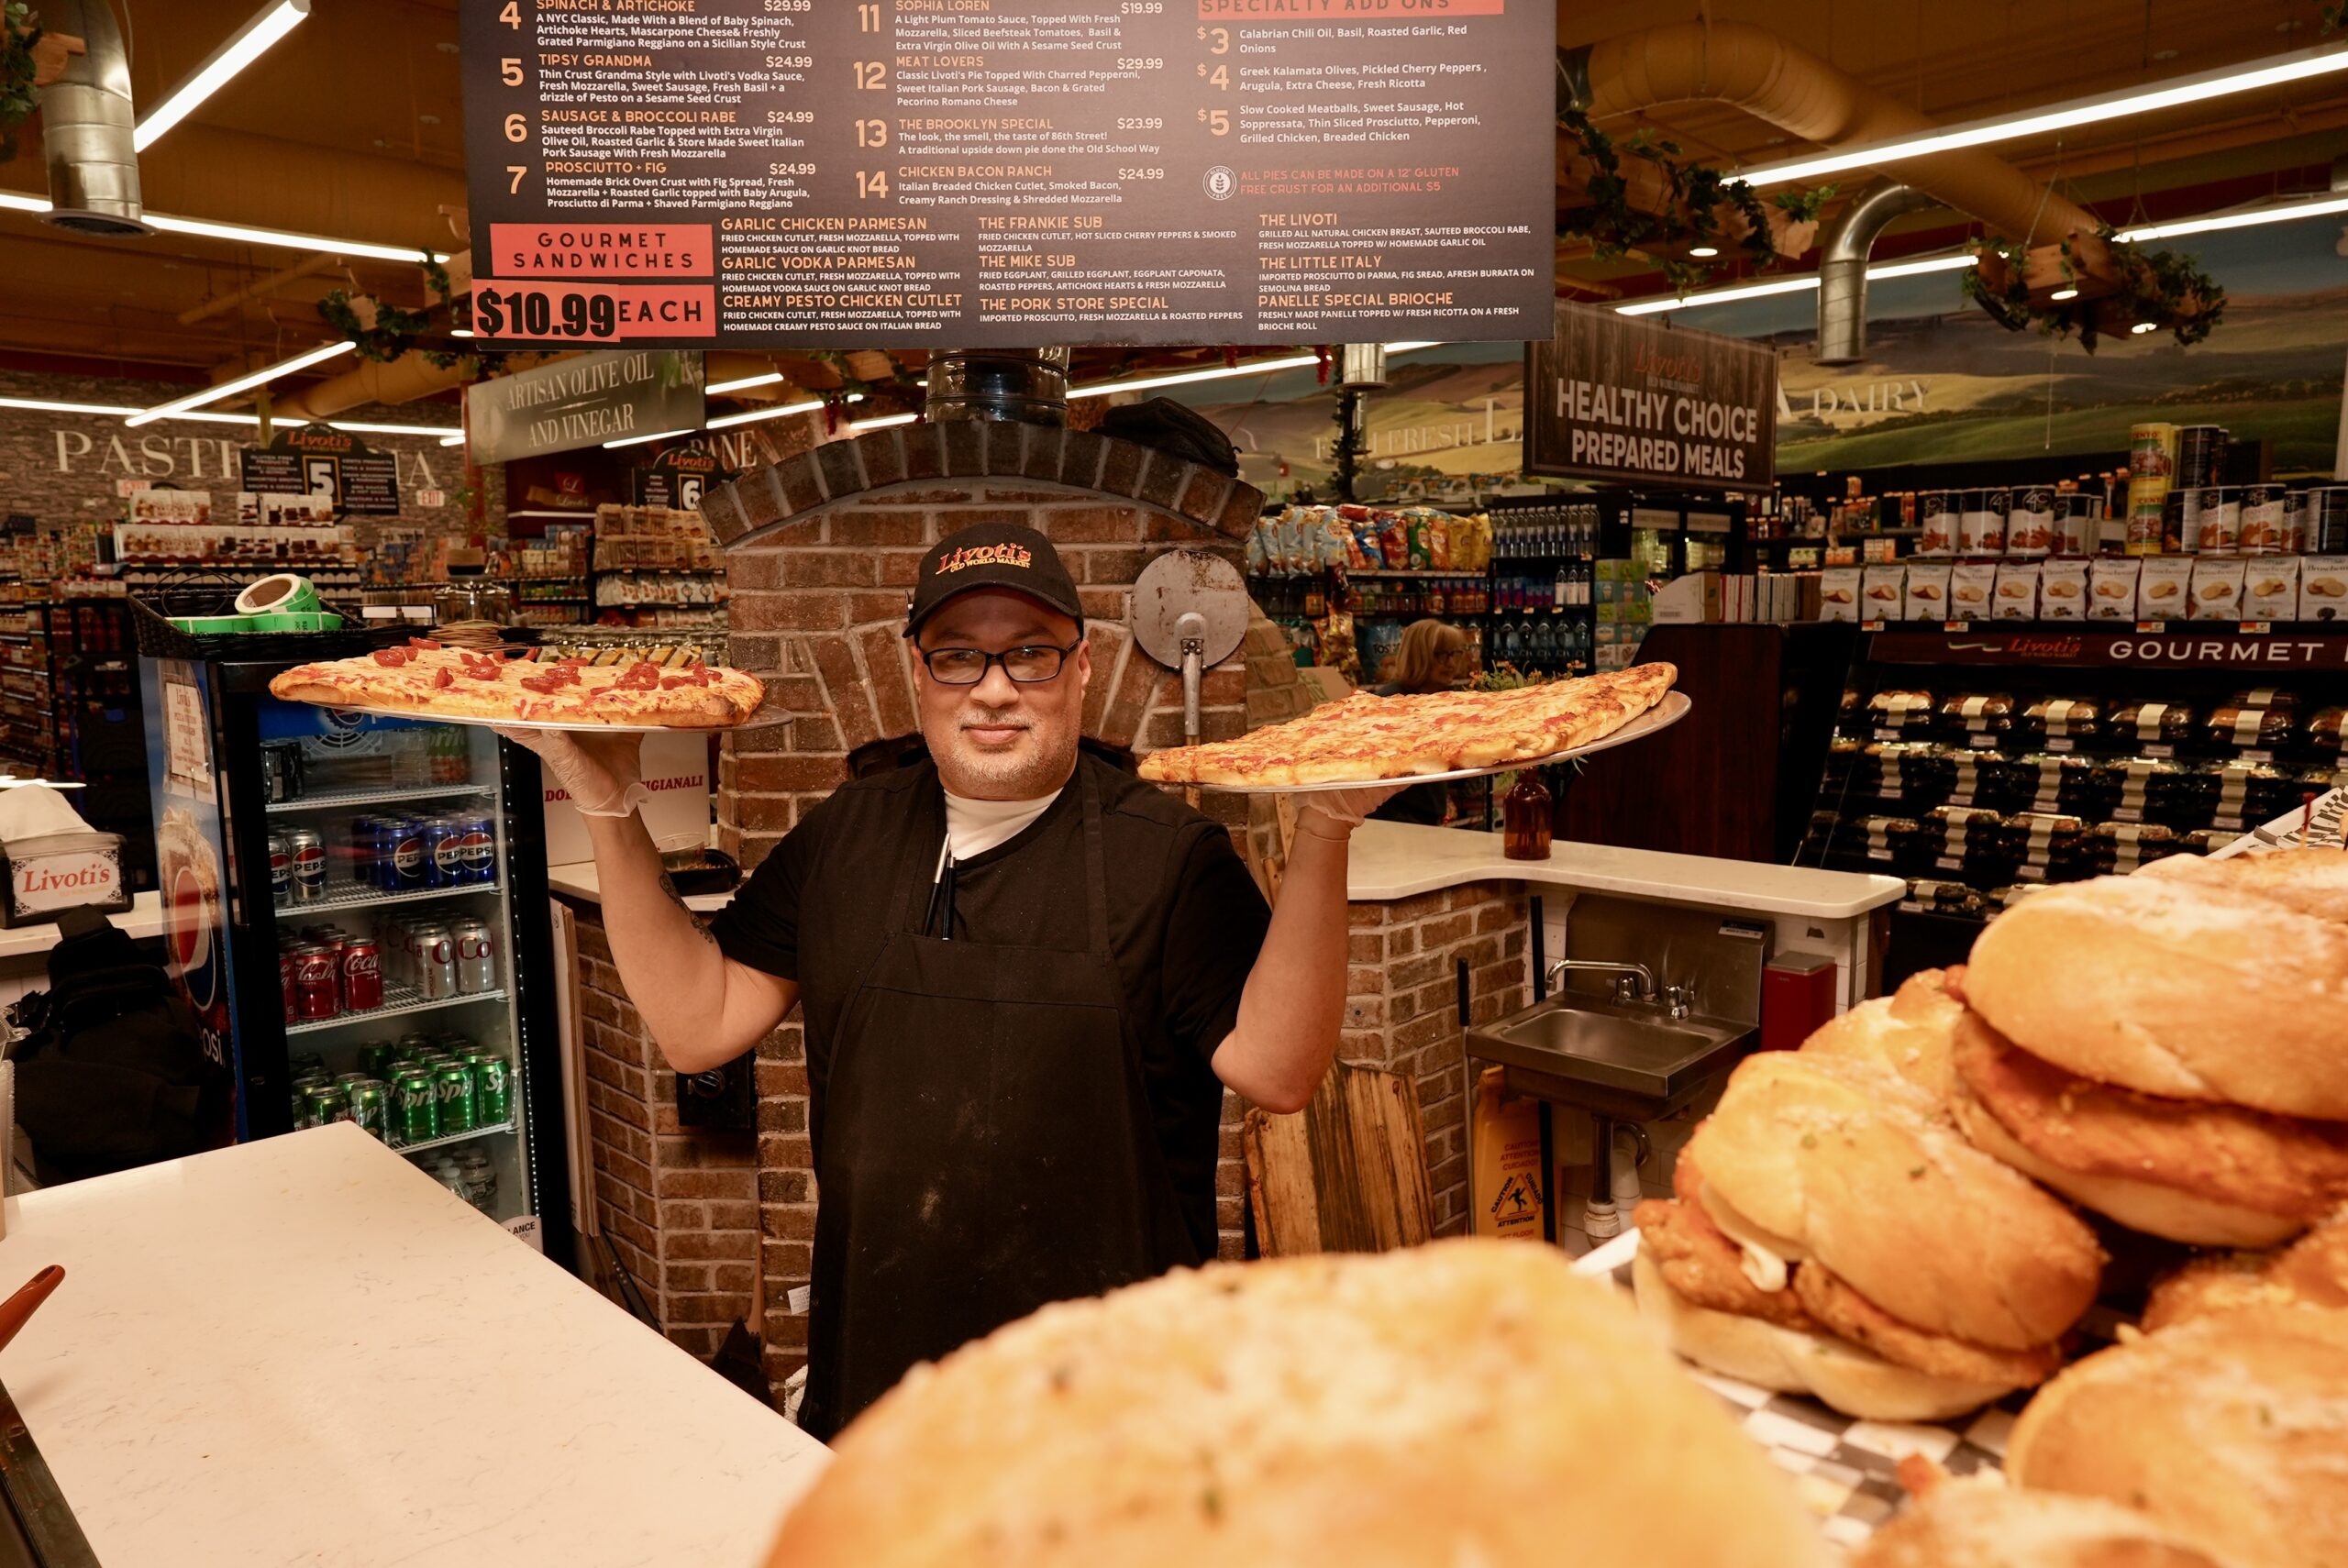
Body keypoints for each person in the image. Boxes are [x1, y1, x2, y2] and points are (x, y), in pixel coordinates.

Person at [504, 522, 1393, 1440]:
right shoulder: (847, 832)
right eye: (959, 657)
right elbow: (701, 1024)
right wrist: (610, 803)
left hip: (1117, 1401)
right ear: (916, 674)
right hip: (885, 1373)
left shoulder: (1171, 856)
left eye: (1031, 657)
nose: (995, 690)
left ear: (1081, 670)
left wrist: (1323, 832)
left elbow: (1279, 1073)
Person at [1368, 618, 1472, 826]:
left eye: (1455, 654)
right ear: (1418, 656)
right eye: (1441, 655)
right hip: (1392, 823)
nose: (1451, 664)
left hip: (1427, 819)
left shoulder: (1444, 700)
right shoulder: (1390, 702)